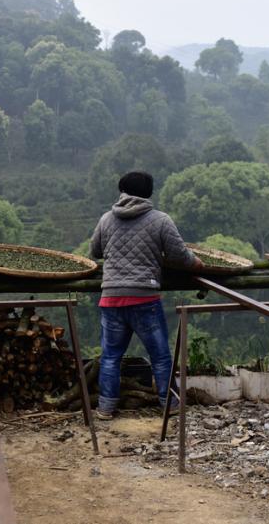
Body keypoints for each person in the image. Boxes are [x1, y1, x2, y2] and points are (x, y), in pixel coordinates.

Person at [89, 170, 202, 419]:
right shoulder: (160, 220)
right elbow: (179, 256)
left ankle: (106, 408)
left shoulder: (107, 219)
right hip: (144, 297)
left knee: (110, 357)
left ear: (122, 190)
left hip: (111, 297)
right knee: (160, 356)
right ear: (149, 193)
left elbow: (94, 251)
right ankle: (168, 404)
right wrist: (198, 264)